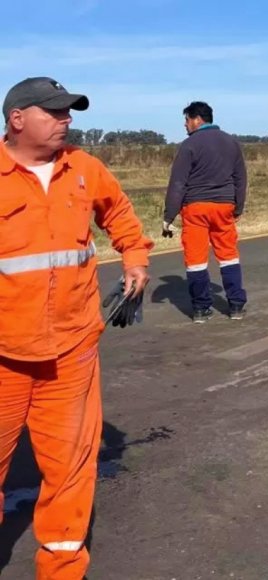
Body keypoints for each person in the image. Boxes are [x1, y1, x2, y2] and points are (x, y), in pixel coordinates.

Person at [0, 76, 153, 578]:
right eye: (55, 111)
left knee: (69, 469)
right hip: (4, 354)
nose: (67, 119)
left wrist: (135, 258)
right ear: (17, 118)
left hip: (71, 350)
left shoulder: (85, 169)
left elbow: (121, 214)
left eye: (69, 112)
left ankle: (62, 569)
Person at [163, 101, 248, 323]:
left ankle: (201, 309)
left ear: (197, 119)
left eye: (186, 120)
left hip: (195, 208)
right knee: (228, 256)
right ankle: (236, 305)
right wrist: (238, 206)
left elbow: (178, 183)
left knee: (196, 260)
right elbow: (241, 178)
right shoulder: (231, 142)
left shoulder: (189, 145)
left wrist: (168, 216)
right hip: (224, 206)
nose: (185, 125)